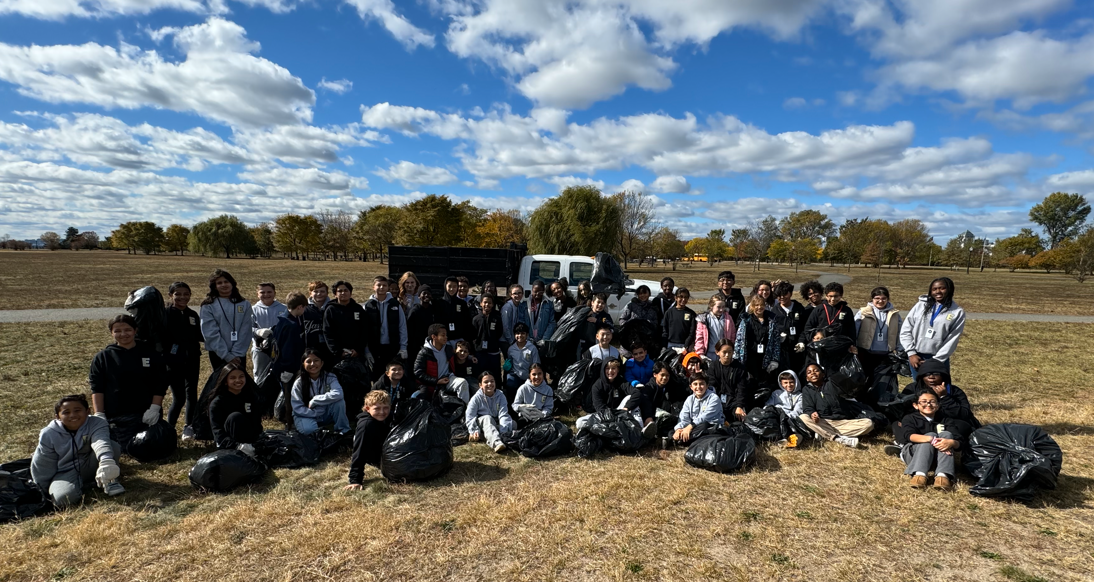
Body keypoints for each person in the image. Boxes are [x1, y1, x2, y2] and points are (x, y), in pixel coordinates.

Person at [89, 314, 168, 449]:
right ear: (111, 333)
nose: (123, 334)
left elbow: (160, 384)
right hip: (116, 415)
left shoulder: (150, 353)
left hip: (145, 414)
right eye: (117, 331)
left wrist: (154, 409)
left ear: (135, 330)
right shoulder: (103, 357)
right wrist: (99, 414)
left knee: (153, 446)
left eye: (127, 330)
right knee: (123, 448)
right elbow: (97, 387)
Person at [32, 394, 125, 506]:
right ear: (57, 416)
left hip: (91, 462)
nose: (73, 415)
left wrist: (106, 461)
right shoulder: (48, 434)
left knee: (112, 445)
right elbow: (42, 462)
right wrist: (43, 489)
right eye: (66, 412)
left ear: (87, 411)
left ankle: (110, 480)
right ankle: (88, 484)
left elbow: (101, 441)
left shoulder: (97, 423)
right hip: (65, 472)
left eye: (77, 410)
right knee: (63, 499)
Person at [892, 389, 971, 490]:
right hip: (915, 455)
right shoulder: (910, 418)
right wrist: (931, 439)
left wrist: (951, 443)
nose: (928, 405)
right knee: (930, 435)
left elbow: (959, 441)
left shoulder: (945, 419)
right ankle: (919, 474)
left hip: (938, 457)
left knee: (946, 434)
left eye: (932, 402)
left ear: (938, 405)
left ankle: (942, 476)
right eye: (924, 402)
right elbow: (909, 436)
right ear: (916, 405)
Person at [899, 277, 965, 381]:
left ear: (949, 289)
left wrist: (937, 360)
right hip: (916, 358)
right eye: (934, 289)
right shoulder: (920, 306)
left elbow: (952, 339)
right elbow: (906, 329)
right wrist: (911, 353)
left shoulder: (957, 312)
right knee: (920, 391)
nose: (938, 291)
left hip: (939, 359)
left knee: (939, 391)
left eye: (942, 288)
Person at [797, 363, 874, 448]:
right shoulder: (806, 390)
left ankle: (824, 434)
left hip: (843, 422)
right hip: (824, 422)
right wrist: (813, 414)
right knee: (803, 417)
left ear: (823, 374)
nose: (813, 373)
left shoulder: (832, 383)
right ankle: (837, 438)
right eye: (809, 372)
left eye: (816, 370)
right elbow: (808, 408)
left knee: (868, 424)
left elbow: (848, 389)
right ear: (807, 378)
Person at [164, 282, 203, 440]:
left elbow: (200, 335)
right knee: (179, 397)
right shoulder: (165, 314)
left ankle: (189, 426)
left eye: (186, 294)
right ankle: (169, 428)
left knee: (192, 394)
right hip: (174, 361)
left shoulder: (192, 315)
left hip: (193, 359)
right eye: (178, 294)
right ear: (171, 296)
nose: (182, 297)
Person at [580, 359, 651, 435]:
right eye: (607, 368)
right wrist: (613, 417)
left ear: (618, 370)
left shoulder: (621, 382)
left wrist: (626, 408)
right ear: (603, 370)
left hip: (620, 412)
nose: (610, 371)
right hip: (604, 415)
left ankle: (640, 430)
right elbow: (599, 407)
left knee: (630, 398)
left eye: (613, 368)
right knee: (580, 422)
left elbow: (636, 393)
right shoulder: (597, 386)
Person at [733, 295, 782, 407]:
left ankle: (763, 407)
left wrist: (775, 359)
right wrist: (737, 358)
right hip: (749, 358)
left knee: (765, 384)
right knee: (749, 383)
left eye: (762, 305)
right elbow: (739, 340)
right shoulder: (746, 320)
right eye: (757, 305)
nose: (759, 307)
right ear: (752, 306)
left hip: (765, 359)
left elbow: (776, 342)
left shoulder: (771, 321)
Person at [199, 269, 253, 369]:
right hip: (218, 353)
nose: (224, 285)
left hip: (238, 354)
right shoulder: (208, 306)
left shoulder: (244, 304)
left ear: (232, 283)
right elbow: (210, 333)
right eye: (219, 283)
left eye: (226, 281)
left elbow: (246, 330)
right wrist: (226, 355)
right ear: (214, 286)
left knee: (238, 382)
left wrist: (236, 353)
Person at [290, 349, 351, 435]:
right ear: (303, 365)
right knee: (309, 431)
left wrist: (315, 400)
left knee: (339, 402)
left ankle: (343, 431)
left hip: (324, 414)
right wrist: (314, 413)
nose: (312, 364)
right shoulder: (299, 383)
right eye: (308, 361)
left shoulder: (330, 377)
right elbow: (297, 408)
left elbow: (339, 393)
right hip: (305, 415)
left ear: (322, 363)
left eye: (316, 361)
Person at [908, 359, 981, 429]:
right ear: (921, 377)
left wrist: (945, 397)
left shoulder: (955, 391)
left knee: (962, 426)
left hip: (948, 423)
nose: (931, 377)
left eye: (936, 374)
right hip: (921, 423)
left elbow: (965, 414)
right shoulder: (912, 389)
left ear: (943, 376)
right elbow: (902, 411)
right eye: (927, 374)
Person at [207, 364, 262, 456]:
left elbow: (257, 423)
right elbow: (217, 431)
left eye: (241, 377)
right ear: (225, 381)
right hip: (229, 445)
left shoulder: (251, 397)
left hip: (250, 441)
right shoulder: (218, 403)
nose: (238, 380)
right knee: (235, 417)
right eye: (232, 378)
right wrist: (236, 446)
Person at [344, 390, 393, 490]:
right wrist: (355, 480)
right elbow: (359, 452)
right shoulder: (366, 425)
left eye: (386, 408)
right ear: (367, 409)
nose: (382, 412)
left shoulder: (387, 417)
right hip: (374, 454)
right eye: (377, 408)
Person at [363, 276, 409, 381]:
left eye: (384, 285)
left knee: (393, 376)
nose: (381, 287)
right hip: (375, 348)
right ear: (373, 287)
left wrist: (403, 347)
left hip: (392, 348)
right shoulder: (367, 306)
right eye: (379, 285)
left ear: (388, 287)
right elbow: (364, 330)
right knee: (377, 377)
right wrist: (367, 351)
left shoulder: (395, 305)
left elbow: (402, 326)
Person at [855, 286, 903, 385]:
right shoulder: (863, 312)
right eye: (877, 298)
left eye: (883, 298)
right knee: (864, 381)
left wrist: (899, 349)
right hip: (866, 353)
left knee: (882, 382)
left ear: (887, 299)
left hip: (886, 354)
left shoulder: (895, 314)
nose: (880, 301)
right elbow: (855, 330)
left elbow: (900, 333)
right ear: (872, 299)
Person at [271, 292, 309, 414]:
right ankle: (288, 416)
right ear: (300, 307)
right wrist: (288, 368)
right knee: (290, 394)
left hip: (280, 364)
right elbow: (288, 348)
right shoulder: (291, 325)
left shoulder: (283, 319)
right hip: (286, 367)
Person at [465, 371, 513, 453]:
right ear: (480, 385)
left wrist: (504, 432)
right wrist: (474, 430)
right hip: (483, 422)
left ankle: (488, 435)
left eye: (492, 381)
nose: (489, 384)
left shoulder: (501, 396)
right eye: (486, 382)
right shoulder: (476, 398)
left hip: (496, 422)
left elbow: (503, 414)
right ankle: (496, 442)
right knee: (487, 418)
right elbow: (470, 416)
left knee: (513, 423)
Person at [323, 280, 368, 366]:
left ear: (350, 293)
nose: (343, 293)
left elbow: (364, 330)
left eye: (346, 290)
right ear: (335, 294)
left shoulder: (358, 309)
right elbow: (327, 332)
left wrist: (358, 349)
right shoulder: (330, 310)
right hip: (337, 356)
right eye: (340, 291)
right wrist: (338, 352)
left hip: (356, 354)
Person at [252, 282, 287, 386]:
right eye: (262, 292)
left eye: (269, 292)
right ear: (257, 294)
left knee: (279, 374)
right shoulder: (253, 310)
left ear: (274, 293)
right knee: (260, 374)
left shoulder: (283, 308)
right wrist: (258, 332)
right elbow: (246, 329)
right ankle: (259, 397)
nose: (266, 294)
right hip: (260, 349)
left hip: (280, 348)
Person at [673, 372, 724, 444]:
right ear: (691, 387)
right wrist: (678, 429)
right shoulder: (689, 399)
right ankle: (682, 437)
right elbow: (684, 417)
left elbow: (705, 417)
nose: (698, 387)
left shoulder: (714, 398)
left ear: (707, 386)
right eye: (695, 384)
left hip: (710, 426)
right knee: (672, 429)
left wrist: (690, 427)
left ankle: (681, 440)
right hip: (693, 427)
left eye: (702, 384)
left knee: (704, 426)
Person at [707, 339, 748, 422]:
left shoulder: (739, 368)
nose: (727, 355)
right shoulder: (713, 367)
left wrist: (739, 406)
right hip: (717, 401)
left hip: (734, 402)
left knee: (740, 419)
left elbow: (741, 389)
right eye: (724, 352)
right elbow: (711, 387)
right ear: (717, 352)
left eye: (730, 352)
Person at [771, 281, 807, 376]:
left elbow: (805, 327)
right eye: (779, 295)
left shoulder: (799, 308)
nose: (782, 297)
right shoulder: (774, 310)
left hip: (797, 347)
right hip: (782, 348)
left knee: (798, 370)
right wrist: (778, 337)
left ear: (790, 294)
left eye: (784, 294)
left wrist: (802, 341)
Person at [413, 323, 456, 400]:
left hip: (448, 380)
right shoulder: (424, 352)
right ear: (434, 337)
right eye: (443, 335)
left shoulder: (448, 349)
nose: (446, 337)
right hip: (430, 384)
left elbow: (459, 355)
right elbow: (418, 373)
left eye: (446, 335)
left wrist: (470, 357)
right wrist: (436, 381)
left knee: (463, 383)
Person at [766, 370, 805, 448]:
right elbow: (768, 406)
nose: (789, 385)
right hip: (775, 416)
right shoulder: (776, 393)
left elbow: (797, 411)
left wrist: (784, 417)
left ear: (796, 382)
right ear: (781, 384)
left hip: (789, 419)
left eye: (791, 382)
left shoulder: (800, 396)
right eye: (786, 383)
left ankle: (788, 439)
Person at [504, 323, 540, 401]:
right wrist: (507, 367)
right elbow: (509, 363)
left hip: (528, 377)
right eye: (517, 333)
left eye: (523, 333)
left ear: (527, 335)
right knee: (510, 384)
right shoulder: (511, 349)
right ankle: (512, 404)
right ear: (514, 335)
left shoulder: (532, 348)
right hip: (515, 375)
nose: (520, 336)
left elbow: (536, 365)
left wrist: (531, 377)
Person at [471, 294, 503, 382]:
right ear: (481, 303)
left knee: (495, 374)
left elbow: (499, 333)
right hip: (480, 352)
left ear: (492, 304)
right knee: (480, 374)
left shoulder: (497, 318)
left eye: (489, 303)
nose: (487, 305)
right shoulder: (476, 319)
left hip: (493, 352)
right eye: (485, 302)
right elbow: (473, 335)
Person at [301, 281, 333, 366]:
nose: (319, 294)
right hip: (310, 349)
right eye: (316, 291)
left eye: (322, 291)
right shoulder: (304, 308)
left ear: (327, 293)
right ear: (310, 293)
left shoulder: (332, 307)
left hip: (329, 350)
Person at [694, 296, 736, 360]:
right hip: (709, 353)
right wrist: (700, 353)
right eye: (718, 307)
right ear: (711, 306)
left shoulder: (728, 318)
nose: (721, 309)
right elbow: (699, 337)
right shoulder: (704, 319)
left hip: (723, 353)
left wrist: (731, 349)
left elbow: (733, 335)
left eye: (723, 307)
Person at [662, 287, 697, 352]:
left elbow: (692, 332)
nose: (683, 299)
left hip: (684, 346)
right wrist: (664, 346)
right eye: (681, 297)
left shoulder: (691, 314)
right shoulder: (669, 312)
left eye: (686, 297)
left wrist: (686, 345)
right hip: (670, 345)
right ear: (675, 298)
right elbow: (665, 330)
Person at [441, 276, 473, 346]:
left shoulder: (462, 304)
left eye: (454, 286)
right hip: (444, 340)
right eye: (449, 286)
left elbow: (467, 322)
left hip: (459, 340)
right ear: (445, 286)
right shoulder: (439, 303)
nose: (452, 289)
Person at [406, 285, 437, 350]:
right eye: (424, 293)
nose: (426, 295)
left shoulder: (434, 310)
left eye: (428, 293)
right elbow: (409, 329)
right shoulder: (414, 311)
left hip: (431, 344)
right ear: (419, 296)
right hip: (416, 345)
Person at [500, 284, 525, 349]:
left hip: (514, 340)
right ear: (511, 295)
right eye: (515, 293)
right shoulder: (508, 307)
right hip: (506, 341)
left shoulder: (519, 306)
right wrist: (511, 341)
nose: (517, 295)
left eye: (519, 293)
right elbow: (505, 326)